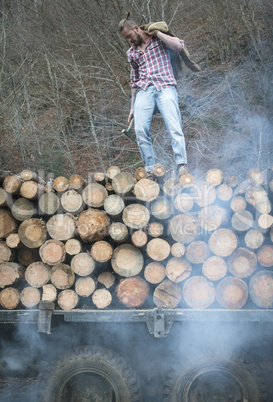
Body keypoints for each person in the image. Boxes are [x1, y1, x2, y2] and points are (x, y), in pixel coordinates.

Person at [118, 16, 188, 178]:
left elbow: (178, 46)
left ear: (136, 28)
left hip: (165, 86)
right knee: (140, 129)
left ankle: (182, 164)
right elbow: (134, 81)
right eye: (125, 38)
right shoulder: (131, 53)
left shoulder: (158, 41)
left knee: (173, 124)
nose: (129, 40)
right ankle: (150, 169)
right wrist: (132, 107)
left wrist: (157, 33)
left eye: (129, 36)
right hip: (144, 90)